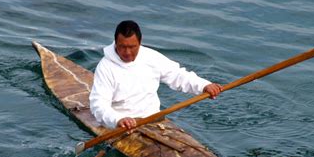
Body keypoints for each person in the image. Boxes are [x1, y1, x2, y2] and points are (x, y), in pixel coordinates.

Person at [89, 20, 222, 130]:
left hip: (154, 120)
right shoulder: (105, 67)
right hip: (123, 126)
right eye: (122, 47)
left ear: (140, 43)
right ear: (116, 43)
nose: (127, 52)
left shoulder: (151, 57)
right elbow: (99, 104)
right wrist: (118, 120)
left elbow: (178, 75)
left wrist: (204, 86)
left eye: (132, 47)